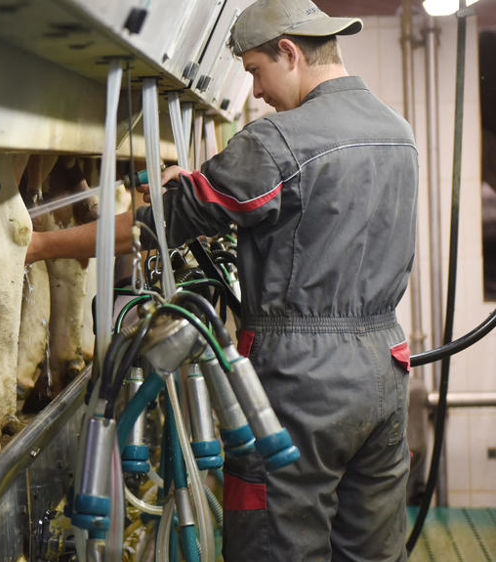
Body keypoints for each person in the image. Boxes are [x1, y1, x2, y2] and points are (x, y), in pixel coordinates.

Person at [27, 1, 418, 560]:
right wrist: (204, 186)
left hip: (300, 380)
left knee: (275, 543)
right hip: (385, 364)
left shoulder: (278, 140)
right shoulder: (396, 130)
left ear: (288, 52)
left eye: (255, 70)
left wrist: (39, 245)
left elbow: (153, 228)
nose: (256, 92)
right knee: (373, 551)